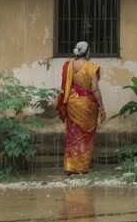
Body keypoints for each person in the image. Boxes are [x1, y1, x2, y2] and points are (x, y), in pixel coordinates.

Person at [56, 41, 106, 175]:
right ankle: (81, 167)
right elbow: (95, 89)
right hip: (87, 104)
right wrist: (102, 107)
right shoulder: (91, 67)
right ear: (88, 51)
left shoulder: (69, 65)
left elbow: (66, 86)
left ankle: (70, 166)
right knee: (85, 135)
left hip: (72, 103)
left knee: (73, 134)